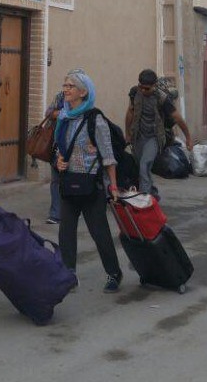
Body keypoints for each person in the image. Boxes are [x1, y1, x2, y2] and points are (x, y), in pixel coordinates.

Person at [54, 69, 122, 293]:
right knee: (66, 232)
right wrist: (59, 161)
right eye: (64, 85)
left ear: (83, 92)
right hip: (68, 182)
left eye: (70, 86)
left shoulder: (95, 119)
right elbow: (60, 149)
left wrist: (113, 186)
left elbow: (108, 156)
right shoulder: (64, 117)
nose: (65, 90)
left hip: (91, 185)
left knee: (99, 232)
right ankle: (68, 274)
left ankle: (114, 273)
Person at [125, 69, 192, 196]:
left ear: (154, 85)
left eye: (147, 88)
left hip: (154, 138)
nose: (143, 91)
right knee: (140, 167)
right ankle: (152, 192)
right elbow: (130, 112)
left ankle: (144, 198)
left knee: (145, 165)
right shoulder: (134, 93)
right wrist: (127, 133)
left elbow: (178, 118)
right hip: (138, 136)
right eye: (141, 87)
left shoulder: (162, 98)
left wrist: (188, 137)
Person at [44, 91, 65, 225]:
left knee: (70, 180)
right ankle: (55, 214)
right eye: (66, 85)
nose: (67, 88)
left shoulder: (84, 98)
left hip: (75, 147)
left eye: (71, 85)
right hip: (57, 144)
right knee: (56, 180)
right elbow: (48, 113)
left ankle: (72, 211)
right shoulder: (60, 96)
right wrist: (61, 113)